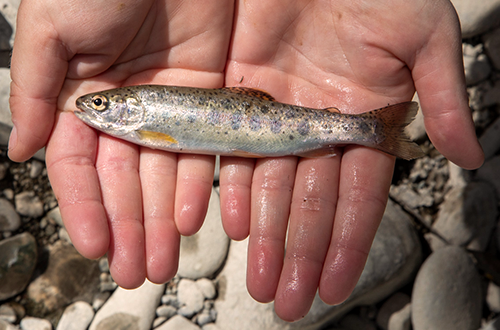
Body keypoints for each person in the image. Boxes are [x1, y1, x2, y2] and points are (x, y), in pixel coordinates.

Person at [9, 0, 483, 322]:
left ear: (130, 108)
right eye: (99, 108)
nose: (95, 112)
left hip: (287, 127)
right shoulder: (139, 114)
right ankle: (374, 131)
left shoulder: (144, 123)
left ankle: (374, 129)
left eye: (104, 107)